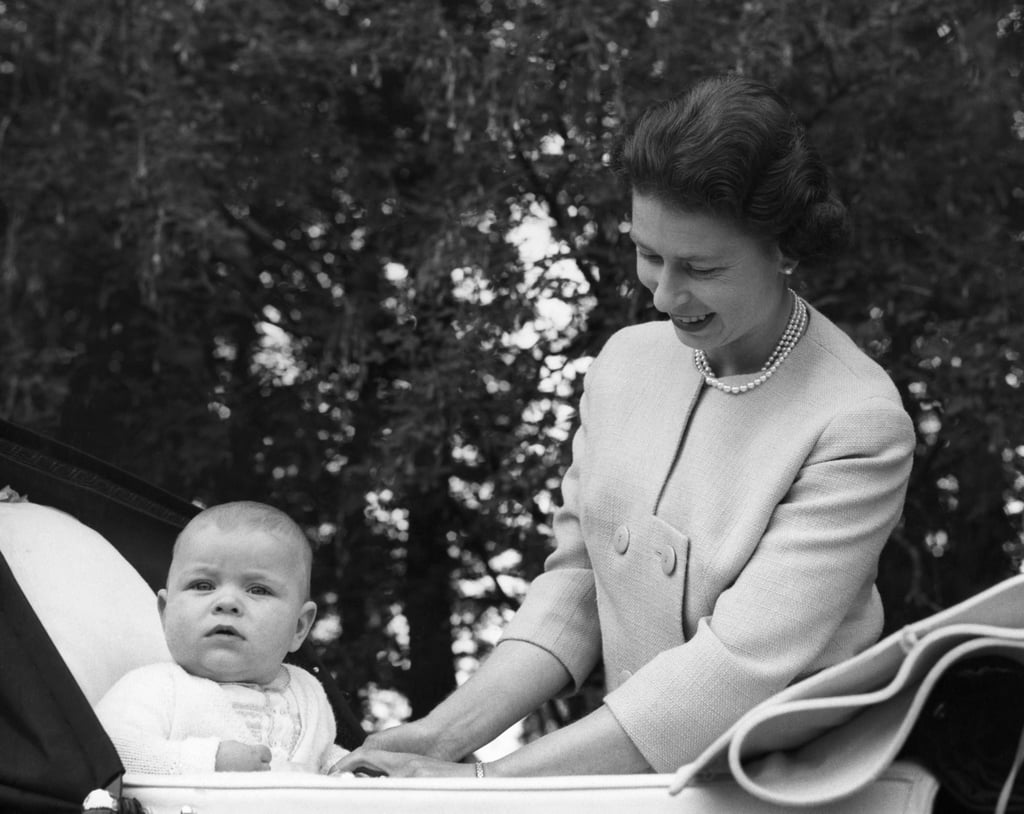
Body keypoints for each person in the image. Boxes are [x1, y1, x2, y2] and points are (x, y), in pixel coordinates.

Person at [333, 73, 917, 778]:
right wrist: (442, 736)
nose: (666, 295)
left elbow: (735, 669)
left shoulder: (858, 422)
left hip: (789, 789)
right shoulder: (624, 364)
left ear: (784, 249)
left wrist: (487, 785)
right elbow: (579, 583)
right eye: (649, 254)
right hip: (630, 779)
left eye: (701, 266)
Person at [96, 501, 349, 774]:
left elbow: (321, 756)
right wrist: (208, 760)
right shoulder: (155, 687)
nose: (227, 602)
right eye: (203, 585)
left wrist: (348, 768)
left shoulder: (308, 692)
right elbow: (111, 751)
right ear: (165, 613)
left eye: (258, 590)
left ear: (299, 627)